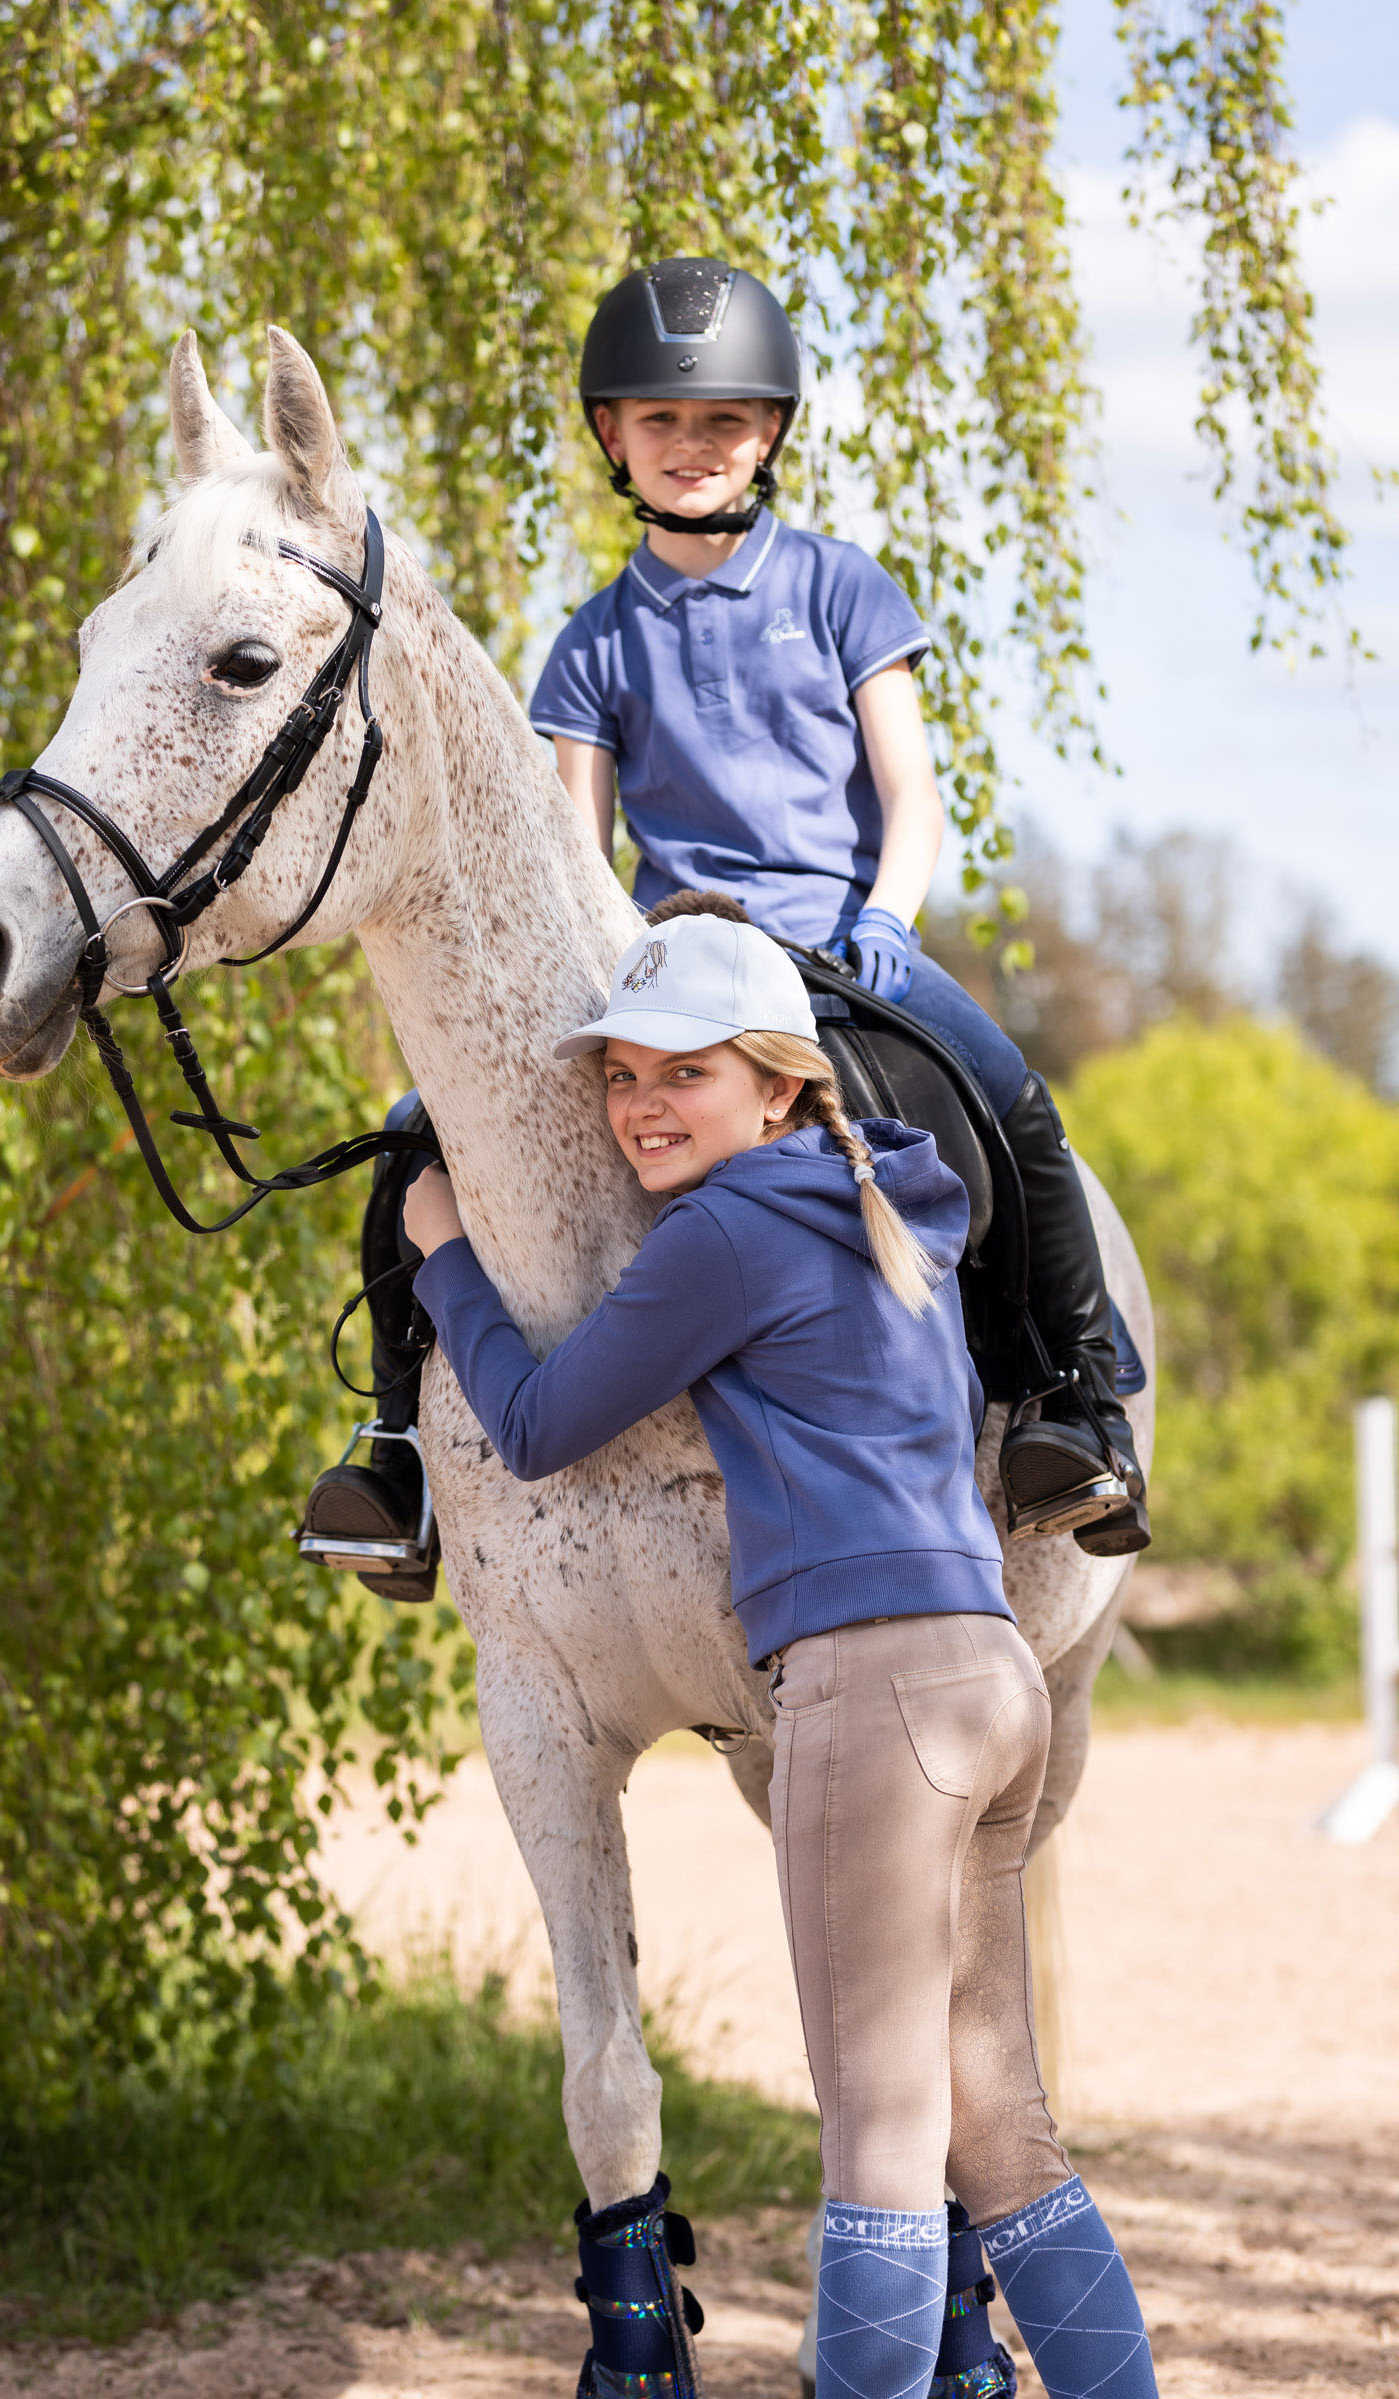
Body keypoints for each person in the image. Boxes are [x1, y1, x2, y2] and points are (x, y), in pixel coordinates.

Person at [399, 908, 1159, 2399]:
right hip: (993, 1682)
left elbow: (545, 1425)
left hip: (871, 1701)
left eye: (685, 1069)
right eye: (621, 1076)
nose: (641, 1104)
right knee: (1003, 2133)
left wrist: (443, 1263)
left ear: (784, 1082)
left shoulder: (725, 1233)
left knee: (877, 2142)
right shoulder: (893, 1209)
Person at [526, 255, 1148, 1560]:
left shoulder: (844, 589)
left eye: (720, 422)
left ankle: (1079, 1397)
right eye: (662, 422)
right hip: (684, 955)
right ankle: (404, 1452)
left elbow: (909, 797)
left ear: (769, 434)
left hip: (849, 941)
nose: (691, 445)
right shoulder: (590, 643)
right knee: (435, 1131)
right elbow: (583, 859)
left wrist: (889, 915)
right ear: (611, 437)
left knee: (1010, 1090)